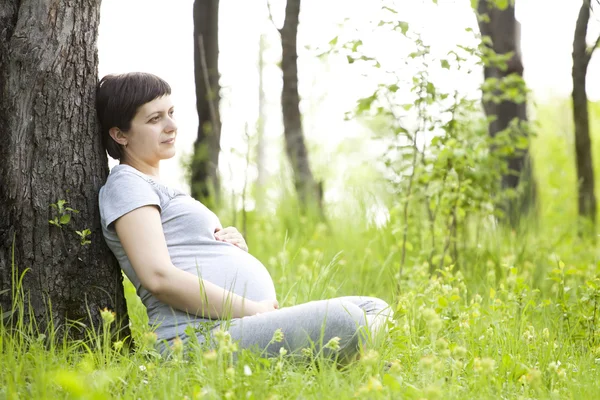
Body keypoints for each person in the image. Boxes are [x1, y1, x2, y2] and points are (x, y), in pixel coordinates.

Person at [97, 72, 392, 362]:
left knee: (375, 308)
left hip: (232, 325)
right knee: (348, 320)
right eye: (154, 119)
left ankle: (341, 357)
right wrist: (256, 310)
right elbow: (158, 277)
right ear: (120, 134)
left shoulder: (158, 186)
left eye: (171, 113)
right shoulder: (127, 183)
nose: (171, 125)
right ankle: (349, 357)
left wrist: (227, 245)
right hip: (195, 337)